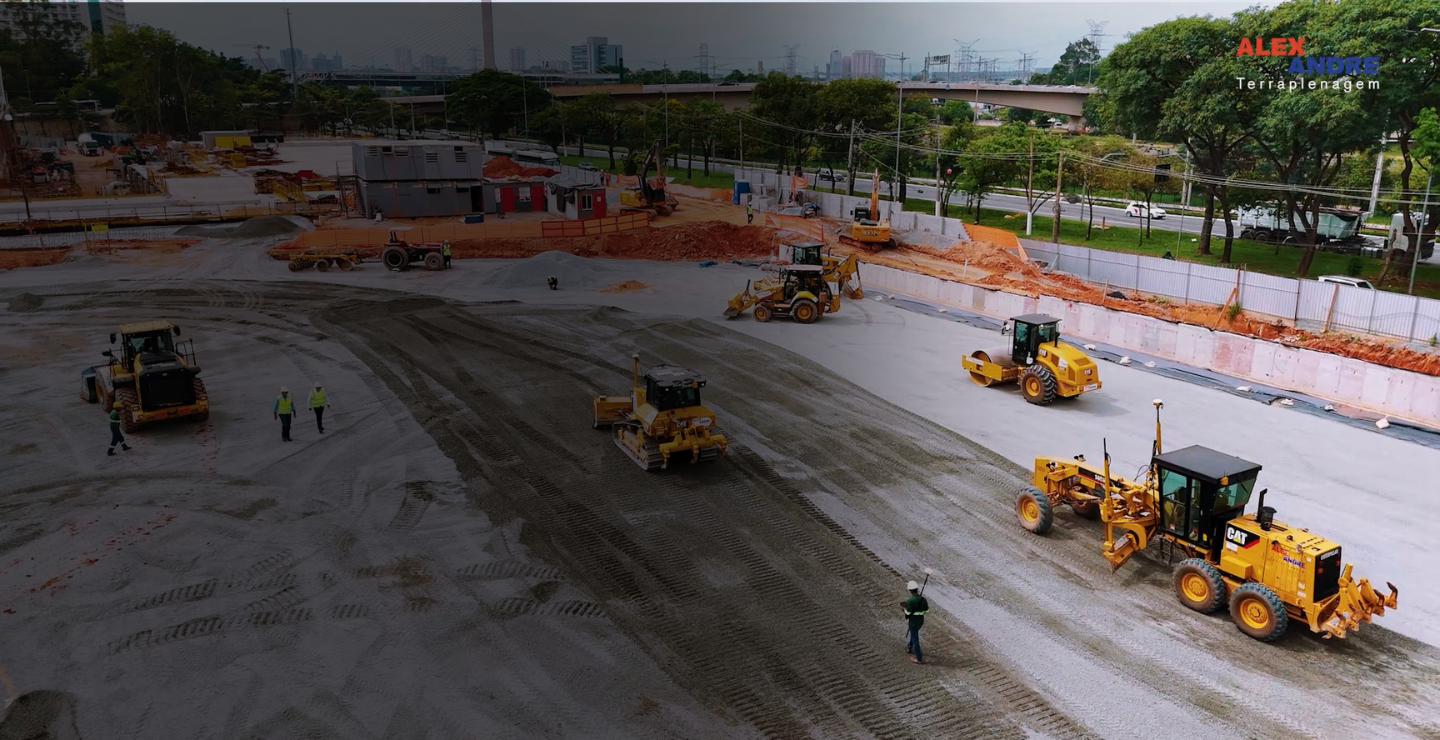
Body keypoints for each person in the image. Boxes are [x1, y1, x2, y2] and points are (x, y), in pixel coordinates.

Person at [902, 580, 930, 664]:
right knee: (914, 634)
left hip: (913, 621)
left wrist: (904, 609)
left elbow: (908, 613)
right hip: (920, 621)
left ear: (910, 591)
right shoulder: (923, 599)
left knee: (915, 639)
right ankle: (909, 647)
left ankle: (919, 658)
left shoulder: (910, 601)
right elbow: (927, 611)